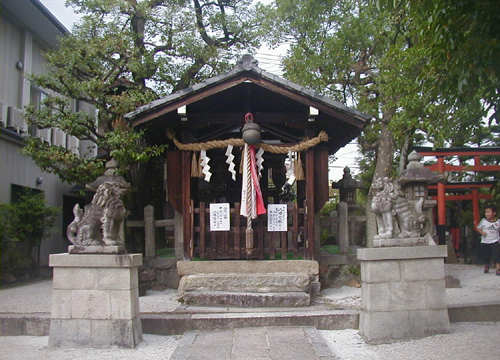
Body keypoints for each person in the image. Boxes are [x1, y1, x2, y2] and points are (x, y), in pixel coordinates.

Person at [475, 204, 500, 275]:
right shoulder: (483, 221)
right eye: (486, 212)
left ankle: (498, 269)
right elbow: (478, 228)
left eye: (489, 212)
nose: (487, 214)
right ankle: (487, 265)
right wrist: (482, 232)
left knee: (497, 255)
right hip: (485, 242)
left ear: (494, 213)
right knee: (486, 255)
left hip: (495, 241)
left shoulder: (498, 222)